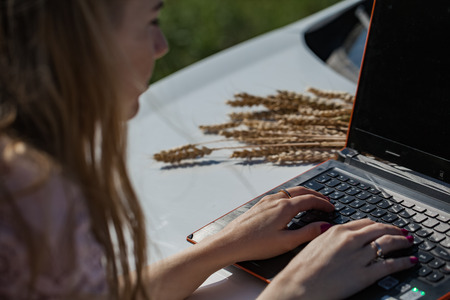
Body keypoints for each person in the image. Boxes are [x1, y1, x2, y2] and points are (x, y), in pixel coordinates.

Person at [0, 0, 418, 299]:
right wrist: (296, 290)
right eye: (150, 19)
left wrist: (223, 248)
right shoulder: (25, 197)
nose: (162, 45)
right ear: (79, 44)